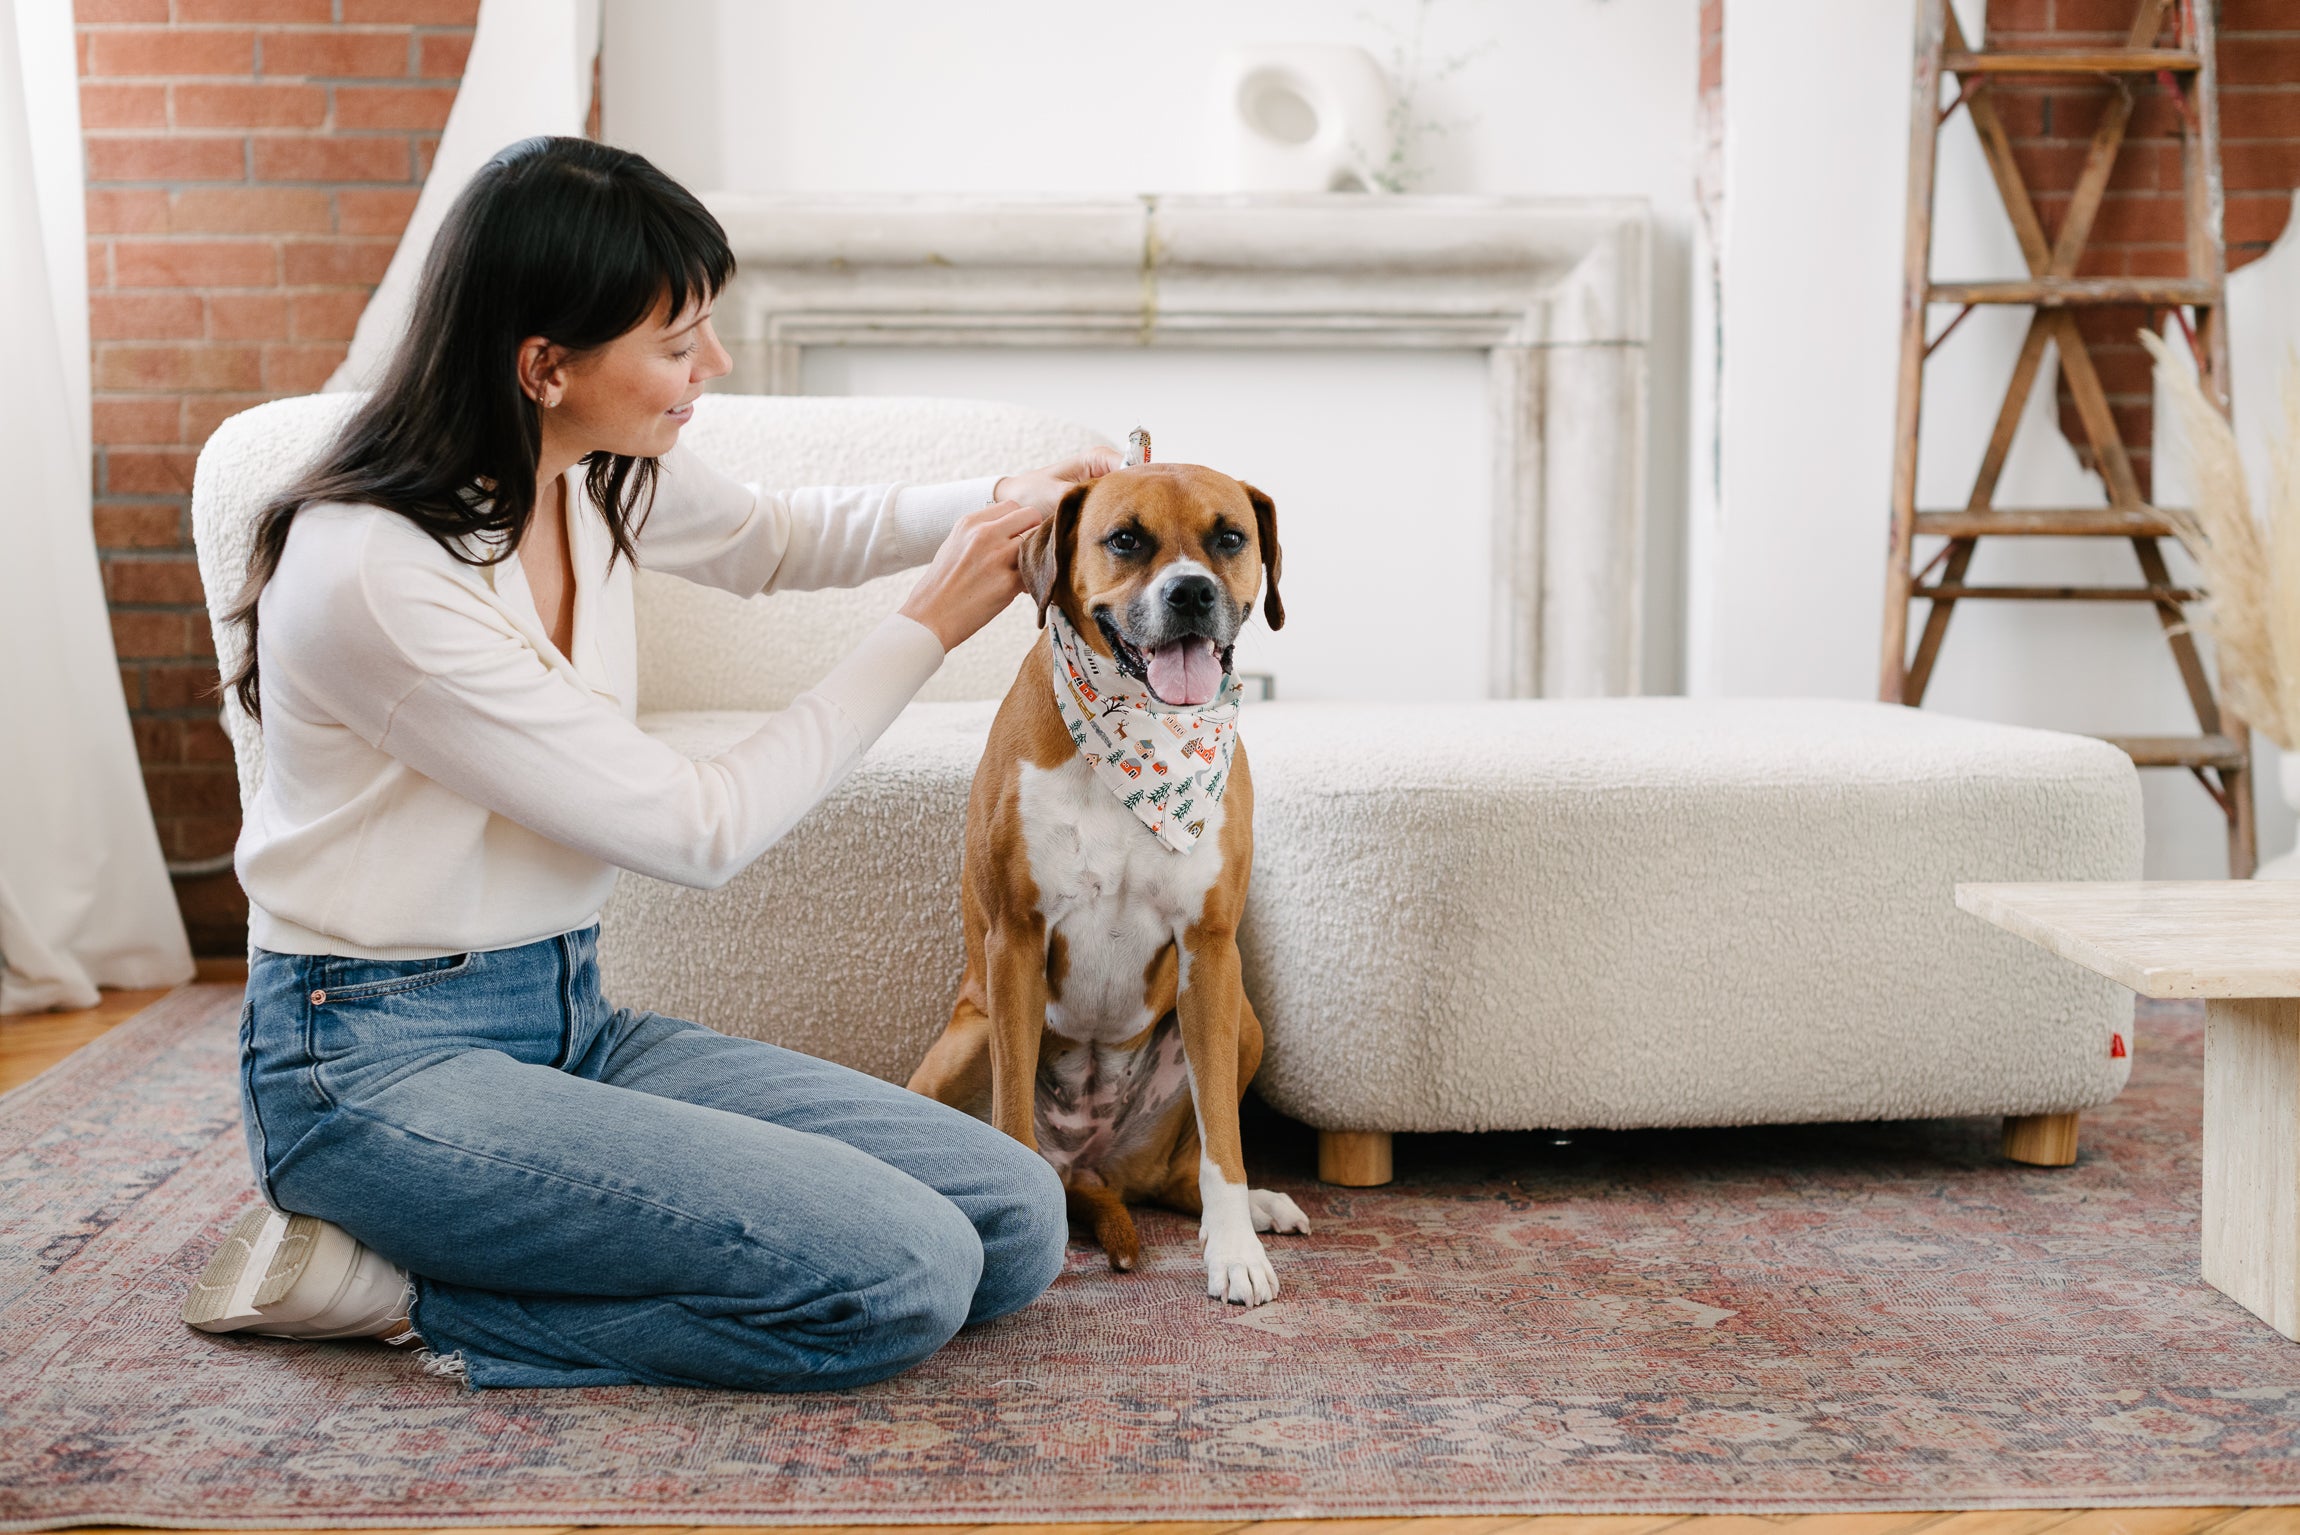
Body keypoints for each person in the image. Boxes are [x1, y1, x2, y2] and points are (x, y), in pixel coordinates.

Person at [181, 136, 1115, 1392]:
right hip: (371, 1061)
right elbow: (697, 828)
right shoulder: (377, 574)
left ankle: (508, 1239)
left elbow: (781, 538)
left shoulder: (586, 471)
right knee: (896, 1278)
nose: (710, 366)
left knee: (1011, 1220)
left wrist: (1005, 495)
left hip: (566, 1014)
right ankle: (409, 1290)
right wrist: (929, 623)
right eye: (677, 343)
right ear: (545, 366)